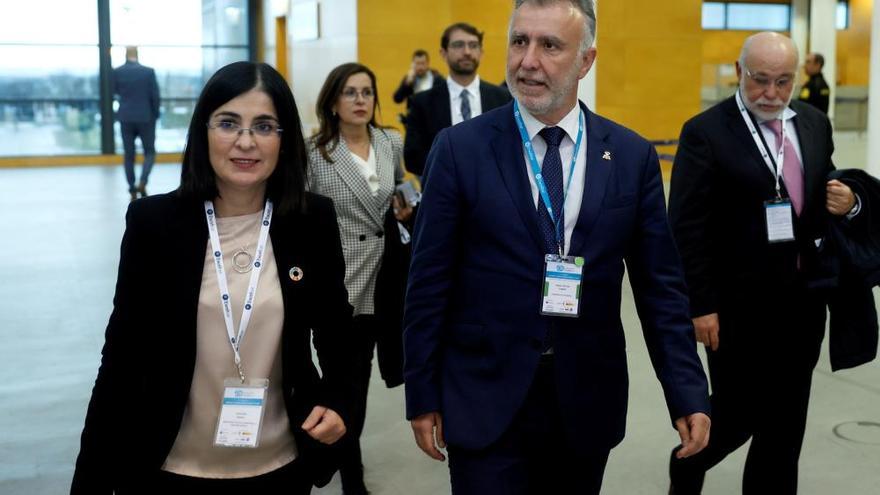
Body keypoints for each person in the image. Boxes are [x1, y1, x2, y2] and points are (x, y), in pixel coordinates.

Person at [403, 1, 711, 494]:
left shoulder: (629, 156)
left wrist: (688, 392)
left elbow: (661, 289)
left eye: (550, 46)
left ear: (586, 60)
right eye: (520, 41)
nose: (528, 61)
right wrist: (421, 392)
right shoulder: (459, 149)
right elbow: (428, 282)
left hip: (585, 400)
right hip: (484, 396)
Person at [72, 62, 355, 494]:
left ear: (285, 139)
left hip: (281, 466)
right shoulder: (156, 224)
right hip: (170, 468)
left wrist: (339, 400)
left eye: (264, 126)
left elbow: (336, 330)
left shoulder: (310, 220)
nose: (246, 142)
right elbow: (122, 361)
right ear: (203, 132)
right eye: (228, 123)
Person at [667, 32, 858, 495]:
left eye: (782, 82)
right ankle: (686, 467)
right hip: (735, 311)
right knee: (735, 417)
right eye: (759, 80)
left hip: (802, 305)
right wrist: (700, 303)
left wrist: (848, 202)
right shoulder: (705, 132)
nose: (770, 94)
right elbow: (686, 227)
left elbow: (819, 191)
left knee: (785, 428)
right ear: (738, 72)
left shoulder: (813, 123)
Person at [307, 62, 414, 495]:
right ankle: (348, 470)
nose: (359, 101)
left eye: (367, 92)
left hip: (386, 281)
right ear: (333, 102)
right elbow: (302, 217)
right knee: (342, 382)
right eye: (350, 93)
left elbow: (404, 190)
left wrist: (408, 207)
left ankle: (344, 463)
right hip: (339, 285)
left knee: (363, 379)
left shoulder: (391, 142)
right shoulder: (314, 152)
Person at [403, 22, 511, 177]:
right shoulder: (422, 103)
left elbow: (512, 150)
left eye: (473, 45)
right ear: (443, 53)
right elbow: (412, 159)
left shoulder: (503, 98)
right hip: (444, 192)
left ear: (481, 52)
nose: (467, 52)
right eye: (458, 45)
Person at [112, 46, 160, 201]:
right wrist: (155, 115)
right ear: (137, 55)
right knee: (150, 152)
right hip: (146, 117)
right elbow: (155, 96)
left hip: (125, 117)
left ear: (126, 55)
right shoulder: (148, 72)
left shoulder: (117, 72)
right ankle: (143, 181)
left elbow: (115, 92)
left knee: (129, 155)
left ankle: (132, 188)